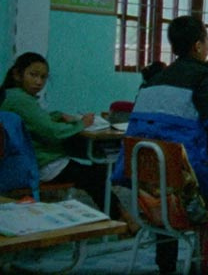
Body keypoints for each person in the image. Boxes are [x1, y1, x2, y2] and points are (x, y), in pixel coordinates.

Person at [115, 16, 208, 274]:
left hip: (147, 195)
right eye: (206, 41)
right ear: (198, 46)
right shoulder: (204, 79)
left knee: (165, 172)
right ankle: (201, 264)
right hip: (189, 199)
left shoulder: (153, 82)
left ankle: (166, 264)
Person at [0, 52, 136, 230]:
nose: (39, 82)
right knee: (96, 174)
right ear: (17, 74)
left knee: (94, 168)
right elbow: (52, 132)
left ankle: (121, 215)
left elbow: (34, 122)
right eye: (33, 75)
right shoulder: (21, 100)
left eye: (43, 77)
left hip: (19, 164)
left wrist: (58, 115)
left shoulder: (9, 96)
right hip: (41, 164)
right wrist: (82, 123)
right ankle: (122, 219)